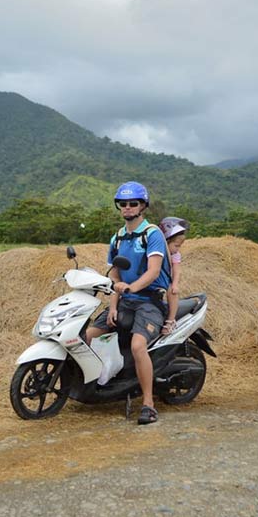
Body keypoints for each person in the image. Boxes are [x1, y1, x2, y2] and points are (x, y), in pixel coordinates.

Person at [85, 181, 171, 424]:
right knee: (86, 336)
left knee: (137, 346)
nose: (128, 207)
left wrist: (132, 287)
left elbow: (153, 272)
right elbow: (115, 275)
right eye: (123, 203)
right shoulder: (118, 238)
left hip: (149, 302)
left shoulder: (152, 235)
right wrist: (113, 305)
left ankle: (148, 404)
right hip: (124, 301)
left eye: (133, 203)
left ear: (143, 206)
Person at [159, 217, 190, 335]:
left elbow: (176, 269)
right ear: (166, 241)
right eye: (176, 245)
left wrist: (175, 284)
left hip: (166, 279)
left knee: (172, 291)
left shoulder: (175, 254)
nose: (178, 249)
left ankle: (171, 319)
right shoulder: (156, 250)